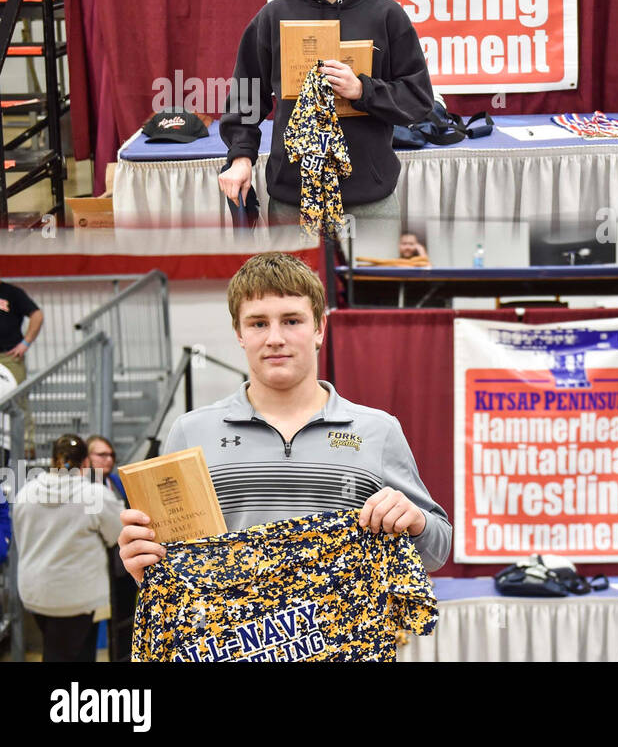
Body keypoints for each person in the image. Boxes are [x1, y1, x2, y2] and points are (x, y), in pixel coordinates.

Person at [118, 252, 453, 589]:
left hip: (343, 641)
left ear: (320, 327)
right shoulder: (191, 432)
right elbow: (172, 565)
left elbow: (436, 551)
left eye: (292, 321)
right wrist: (143, 561)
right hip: (230, 641)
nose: (274, 338)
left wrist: (417, 522)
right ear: (239, 333)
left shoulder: (378, 430)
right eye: (258, 323)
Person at [217, 0, 438, 247]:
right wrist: (241, 156)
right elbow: (245, 99)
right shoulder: (273, 17)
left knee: (372, 301)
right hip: (293, 201)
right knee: (296, 299)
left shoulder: (386, 15)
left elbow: (418, 99)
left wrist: (364, 91)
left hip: (370, 200)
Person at [11, 434, 124, 662]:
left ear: (53, 460)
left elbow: (21, 535)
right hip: (77, 595)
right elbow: (118, 535)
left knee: (58, 649)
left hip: (36, 592)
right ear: (85, 462)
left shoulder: (25, 494)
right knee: (73, 654)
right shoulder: (94, 495)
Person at [87, 435, 135, 662]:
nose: (109, 459)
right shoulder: (82, 487)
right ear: (87, 458)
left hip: (120, 564)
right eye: (101, 454)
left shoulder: (116, 481)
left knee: (124, 620)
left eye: (111, 455)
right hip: (92, 566)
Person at [0, 277, 42, 393]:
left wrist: (25, 342)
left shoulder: (12, 293)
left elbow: (37, 315)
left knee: (16, 399)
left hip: (8, 356)